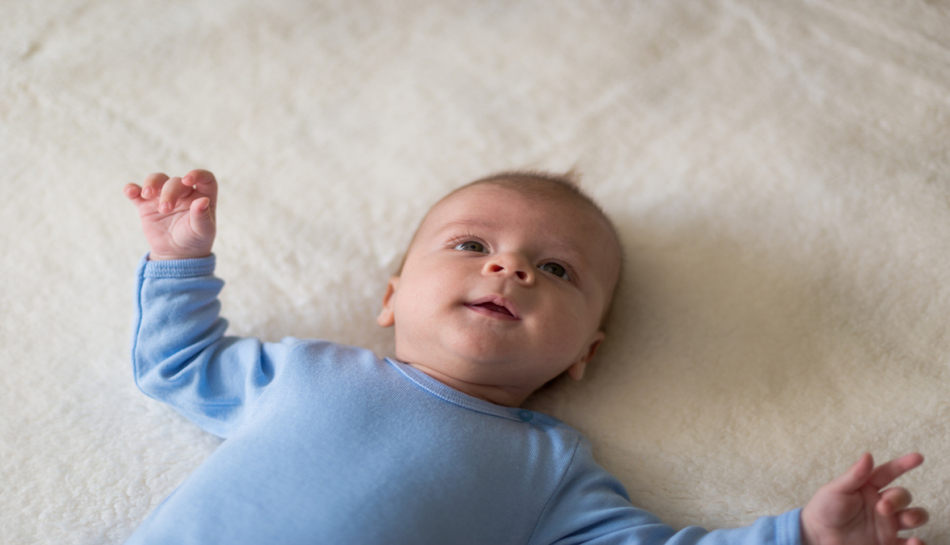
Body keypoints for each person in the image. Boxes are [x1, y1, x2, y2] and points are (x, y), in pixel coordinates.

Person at [122, 169, 929, 544]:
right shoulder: (305, 373)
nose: (509, 268)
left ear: (584, 352)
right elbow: (179, 363)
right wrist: (178, 258)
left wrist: (802, 535)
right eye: (471, 243)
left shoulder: (547, 469)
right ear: (392, 297)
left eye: (557, 270)